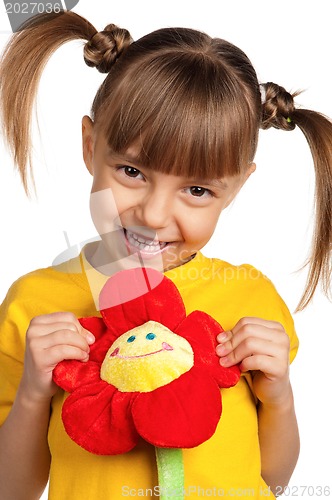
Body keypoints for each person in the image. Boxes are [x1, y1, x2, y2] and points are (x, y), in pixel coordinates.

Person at [0, 10, 331, 500]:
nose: (154, 215)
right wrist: (32, 394)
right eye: (132, 171)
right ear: (91, 146)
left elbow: (274, 483)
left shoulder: (248, 296)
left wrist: (278, 396)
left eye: (196, 189)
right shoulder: (36, 303)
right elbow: (13, 490)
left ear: (237, 187)